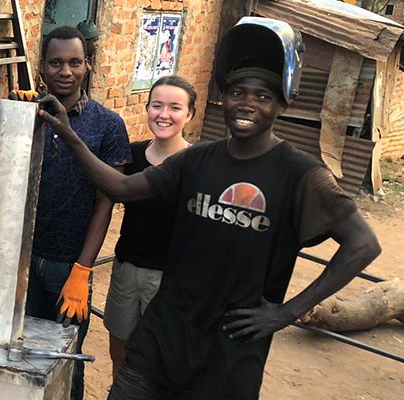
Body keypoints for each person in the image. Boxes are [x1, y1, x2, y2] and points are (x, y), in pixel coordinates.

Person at [37, 17, 381, 399]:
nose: (246, 104)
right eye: (237, 93)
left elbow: (363, 244)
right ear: (224, 97)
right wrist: (68, 132)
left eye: (262, 96)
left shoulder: (300, 175)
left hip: (230, 352)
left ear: (283, 102)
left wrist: (287, 312)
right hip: (162, 338)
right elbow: (120, 186)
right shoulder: (196, 161)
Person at [24, 26, 132, 400]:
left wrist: (82, 269)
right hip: (26, 261)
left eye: (74, 62)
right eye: (56, 63)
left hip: (69, 265)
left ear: (88, 65)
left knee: (67, 359)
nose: (64, 71)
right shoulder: (30, 115)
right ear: (42, 67)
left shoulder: (108, 125)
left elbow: (106, 202)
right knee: (25, 357)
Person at [103, 75, 196, 378]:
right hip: (127, 269)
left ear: (189, 114)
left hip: (171, 278)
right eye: (157, 105)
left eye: (175, 107)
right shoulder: (131, 155)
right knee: (120, 350)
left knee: (160, 357)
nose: (164, 115)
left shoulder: (199, 164)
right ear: (147, 108)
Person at [76, 19, 99, 93]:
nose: (97, 44)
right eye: (94, 40)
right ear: (85, 42)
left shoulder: (87, 58)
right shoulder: (73, 61)